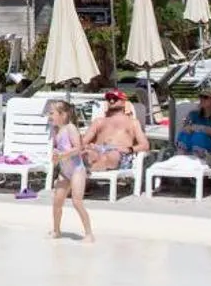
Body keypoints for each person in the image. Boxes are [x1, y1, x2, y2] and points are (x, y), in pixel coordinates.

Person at [45, 99, 94, 243]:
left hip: (77, 170)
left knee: (77, 202)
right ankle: (56, 230)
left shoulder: (70, 128)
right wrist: (55, 158)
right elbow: (58, 150)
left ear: (63, 114)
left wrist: (62, 155)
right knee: (57, 202)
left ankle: (89, 233)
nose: (49, 116)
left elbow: (78, 148)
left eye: (52, 113)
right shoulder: (56, 131)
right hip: (64, 171)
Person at [83, 90, 149, 172]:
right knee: (85, 154)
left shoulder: (133, 123)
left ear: (123, 101)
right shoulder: (99, 121)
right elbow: (84, 141)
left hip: (119, 152)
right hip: (98, 150)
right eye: (108, 99)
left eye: (115, 98)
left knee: (112, 155)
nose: (111, 101)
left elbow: (145, 145)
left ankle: (90, 171)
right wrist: (86, 147)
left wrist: (129, 149)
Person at [176, 91, 211, 158]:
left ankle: (197, 160)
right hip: (190, 149)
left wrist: (197, 128)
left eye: (205, 97)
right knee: (184, 135)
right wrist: (188, 128)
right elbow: (185, 128)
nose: (201, 99)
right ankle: (182, 158)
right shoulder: (193, 114)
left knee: (199, 136)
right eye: (200, 97)